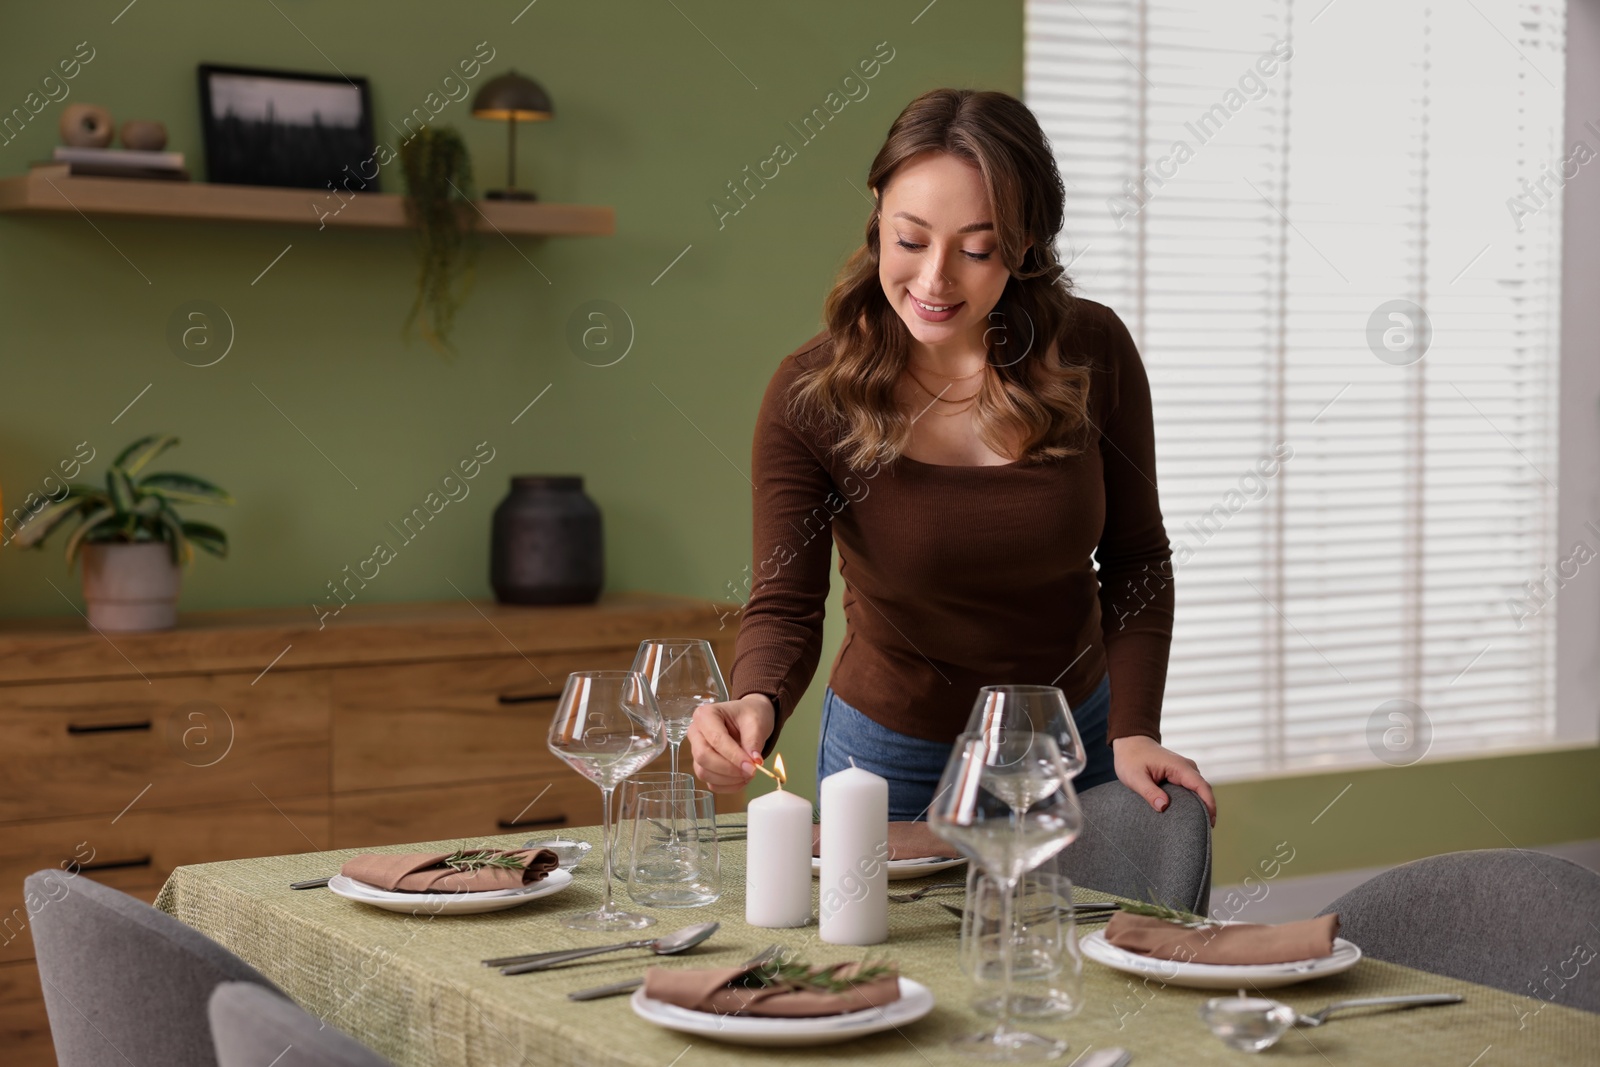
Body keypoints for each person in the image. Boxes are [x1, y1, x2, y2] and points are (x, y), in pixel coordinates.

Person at [686, 87, 1215, 826]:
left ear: (1025, 244)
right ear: (877, 214)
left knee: (1059, 946)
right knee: (892, 949)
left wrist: (1135, 727)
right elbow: (786, 604)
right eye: (909, 240)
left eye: (976, 249)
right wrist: (753, 700)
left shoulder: (1094, 351)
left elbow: (1137, 557)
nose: (934, 280)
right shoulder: (811, 394)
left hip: (1073, 748)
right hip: (891, 759)